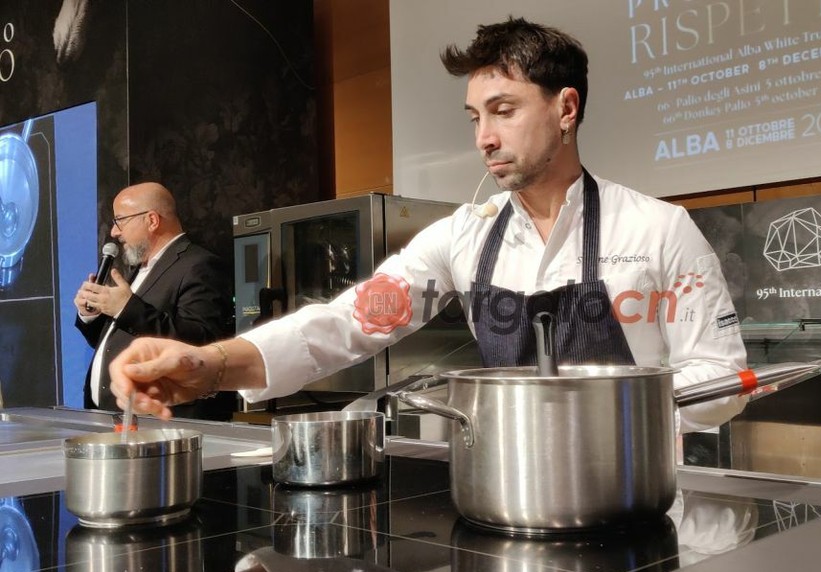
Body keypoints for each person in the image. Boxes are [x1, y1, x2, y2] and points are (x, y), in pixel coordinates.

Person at [107, 17, 748, 433]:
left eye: (503, 111)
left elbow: (721, 382)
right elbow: (347, 323)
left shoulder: (660, 230)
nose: (484, 138)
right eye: (475, 118)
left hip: (637, 493)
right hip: (511, 492)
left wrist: (594, 415)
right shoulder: (463, 236)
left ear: (566, 109)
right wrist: (212, 364)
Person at [74, 181, 235, 420]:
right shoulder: (138, 269)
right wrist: (92, 315)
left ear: (152, 220)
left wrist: (125, 308)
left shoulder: (199, 265)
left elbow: (200, 341)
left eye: (120, 220)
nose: (114, 232)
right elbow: (120, 338)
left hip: (163, 420)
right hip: (114, 416)